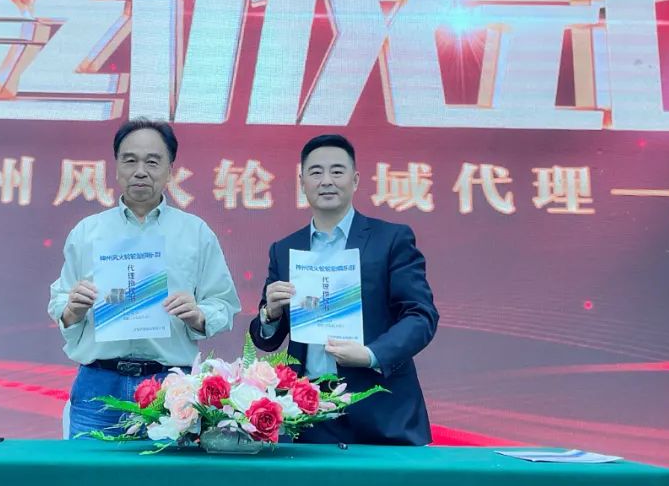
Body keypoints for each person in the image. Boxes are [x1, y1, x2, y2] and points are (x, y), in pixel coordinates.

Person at [49, 118, 241, 438]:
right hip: (99, 384)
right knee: (87, 471)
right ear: (116, 168)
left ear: (170, 171)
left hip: (170, 387)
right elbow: (60, 302)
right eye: (130, 160)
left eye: (152, 162)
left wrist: (198, 315)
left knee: (165, 473)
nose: (140, 171)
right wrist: (72, 309)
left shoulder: (195, 233)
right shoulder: (87, 232)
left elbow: (223, 302)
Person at [249, 134, 438, 445]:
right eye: (316, 172)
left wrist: (371, 354)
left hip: (381, 409)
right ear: (302, 182)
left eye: (337, 171)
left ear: (355, 180)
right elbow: (266, 338)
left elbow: (421, 316)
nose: (326, 180)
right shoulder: (285, 249)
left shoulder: (391, 239)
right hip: (308, 411)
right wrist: (270, 313)